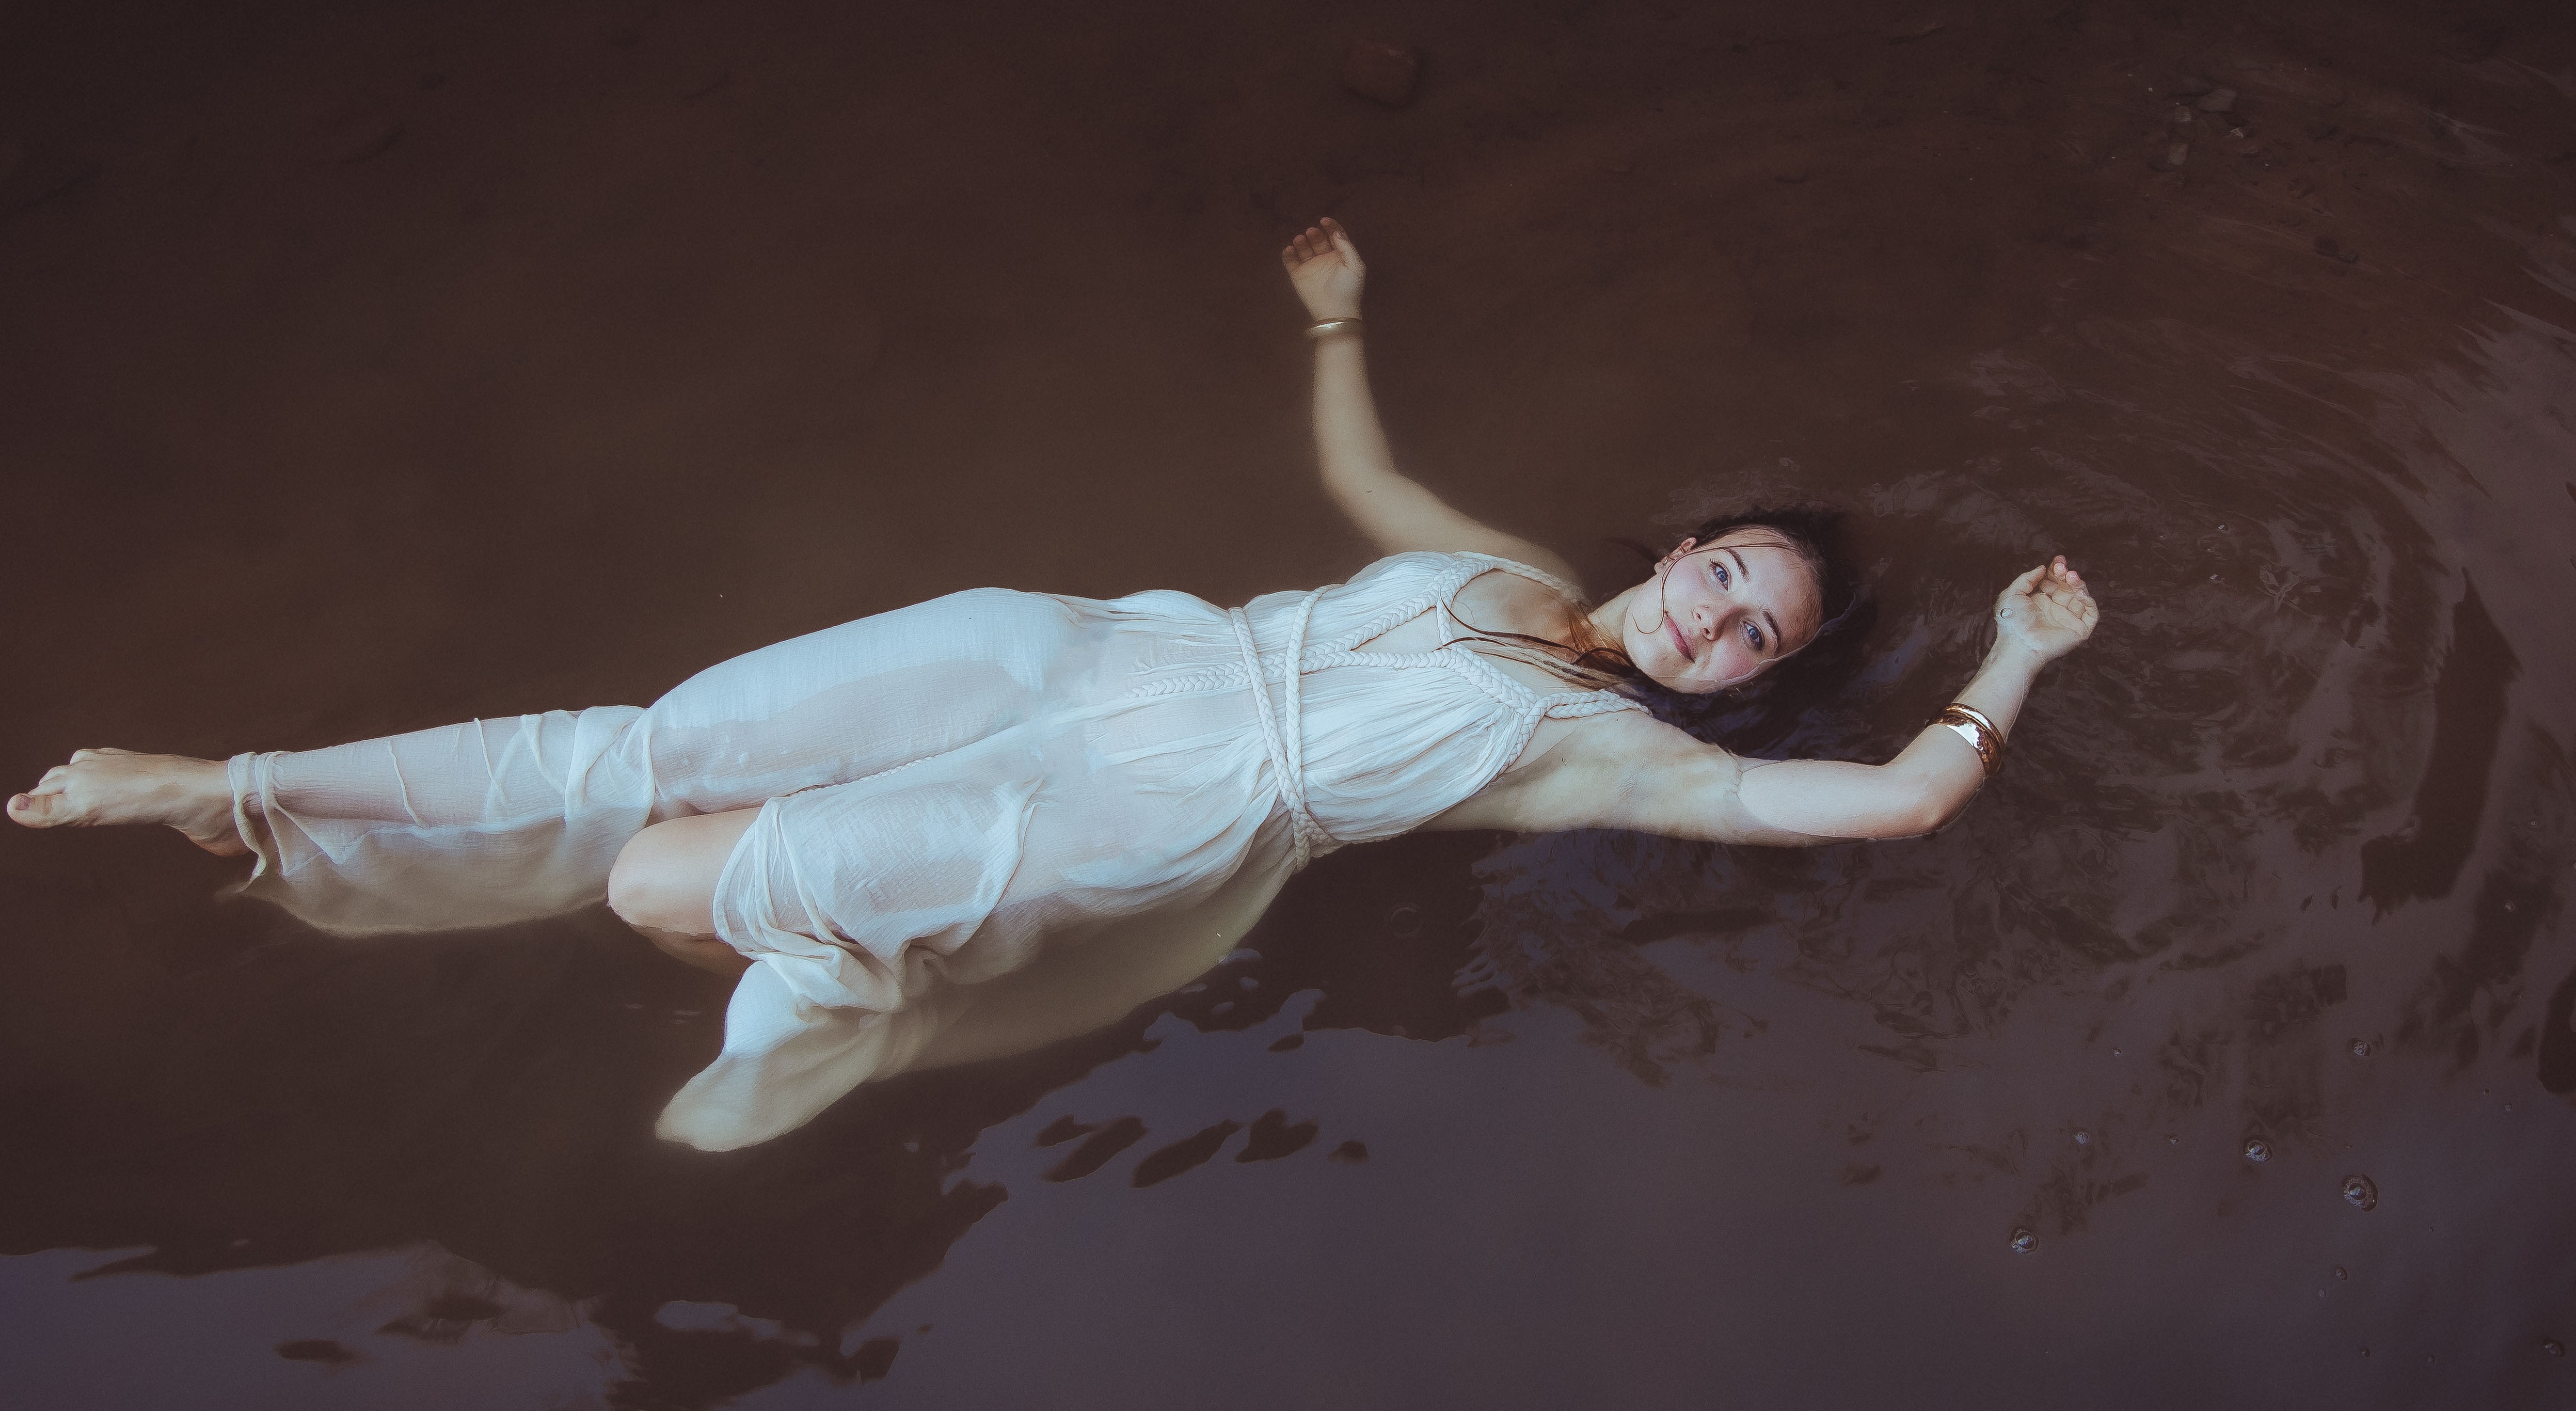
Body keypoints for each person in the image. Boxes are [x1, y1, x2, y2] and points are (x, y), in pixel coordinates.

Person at [6, 218, 2097, 1149]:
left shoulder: (1610, 759)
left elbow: (1900, 800)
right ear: (1686, 542)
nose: (1719, 625)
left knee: (659, 881)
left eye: (1758, 638)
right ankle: (240, 784)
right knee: (650, 747)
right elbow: (1368, 489)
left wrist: (2010, 657)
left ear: (1743, 679)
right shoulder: (1517, 575)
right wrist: (1338, 326)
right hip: (1080, 642)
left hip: (1153, 811)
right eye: (1729, 575)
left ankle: (824, 1011)